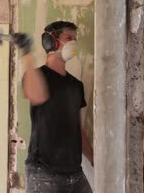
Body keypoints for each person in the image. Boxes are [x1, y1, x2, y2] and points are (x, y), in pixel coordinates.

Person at [13, 21, 94, 193]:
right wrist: (27, 53)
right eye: (68, 38)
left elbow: (77, 129)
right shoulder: (36, 76)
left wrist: (94, 158)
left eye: (75, 38)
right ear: (52, 42)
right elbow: (38, 94)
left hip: (74, 172)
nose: (74, 42)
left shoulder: (75, 85)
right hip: (44, 173)